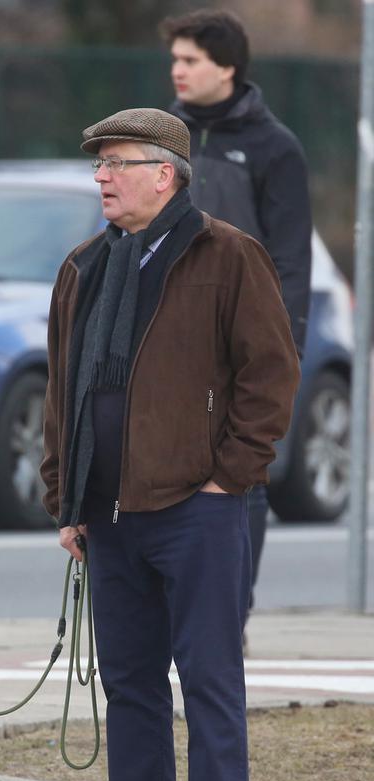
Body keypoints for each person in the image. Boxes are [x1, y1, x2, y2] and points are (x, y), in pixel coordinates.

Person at [40, 107, 300, 781]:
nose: (102, 178)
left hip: (199, 509)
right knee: (130, 684)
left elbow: (271, 373)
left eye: (117, 162)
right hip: (109, 516)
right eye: (99, 165)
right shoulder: (86, 265)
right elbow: (64, 392)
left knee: (211, 682)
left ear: (167, 173)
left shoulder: (226, 256)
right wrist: (68, 499)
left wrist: (233, 475)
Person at [159, 8, 312, 610]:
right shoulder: (162, 134)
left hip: (240, 338)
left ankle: (230, 610)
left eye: (191, 60)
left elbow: (291, 256)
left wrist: (284, 344)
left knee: (239, 475)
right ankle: (175, 608)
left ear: (227, 67)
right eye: (174, 59)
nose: (178, 70)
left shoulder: (275, 147)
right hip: (167, 335)